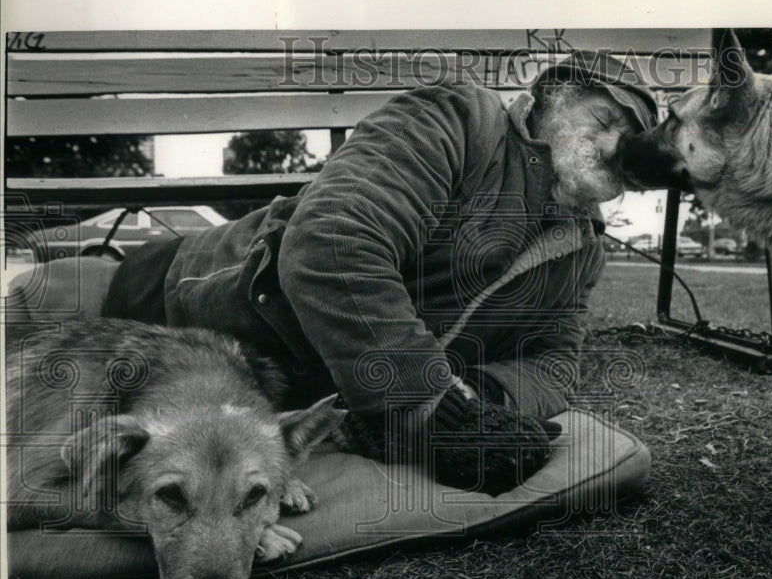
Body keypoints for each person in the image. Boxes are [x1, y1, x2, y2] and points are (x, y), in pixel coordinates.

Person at [103, 50, 658, 494]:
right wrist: (431, 407)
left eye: (627, 140)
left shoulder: (584, 247)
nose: (612, 144)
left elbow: (555, 364)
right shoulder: (458, 120)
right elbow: (334, 244)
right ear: (549, 99)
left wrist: (480, 398)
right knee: (48, 317)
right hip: (180, 292)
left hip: (295, 394)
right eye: (604, 118)